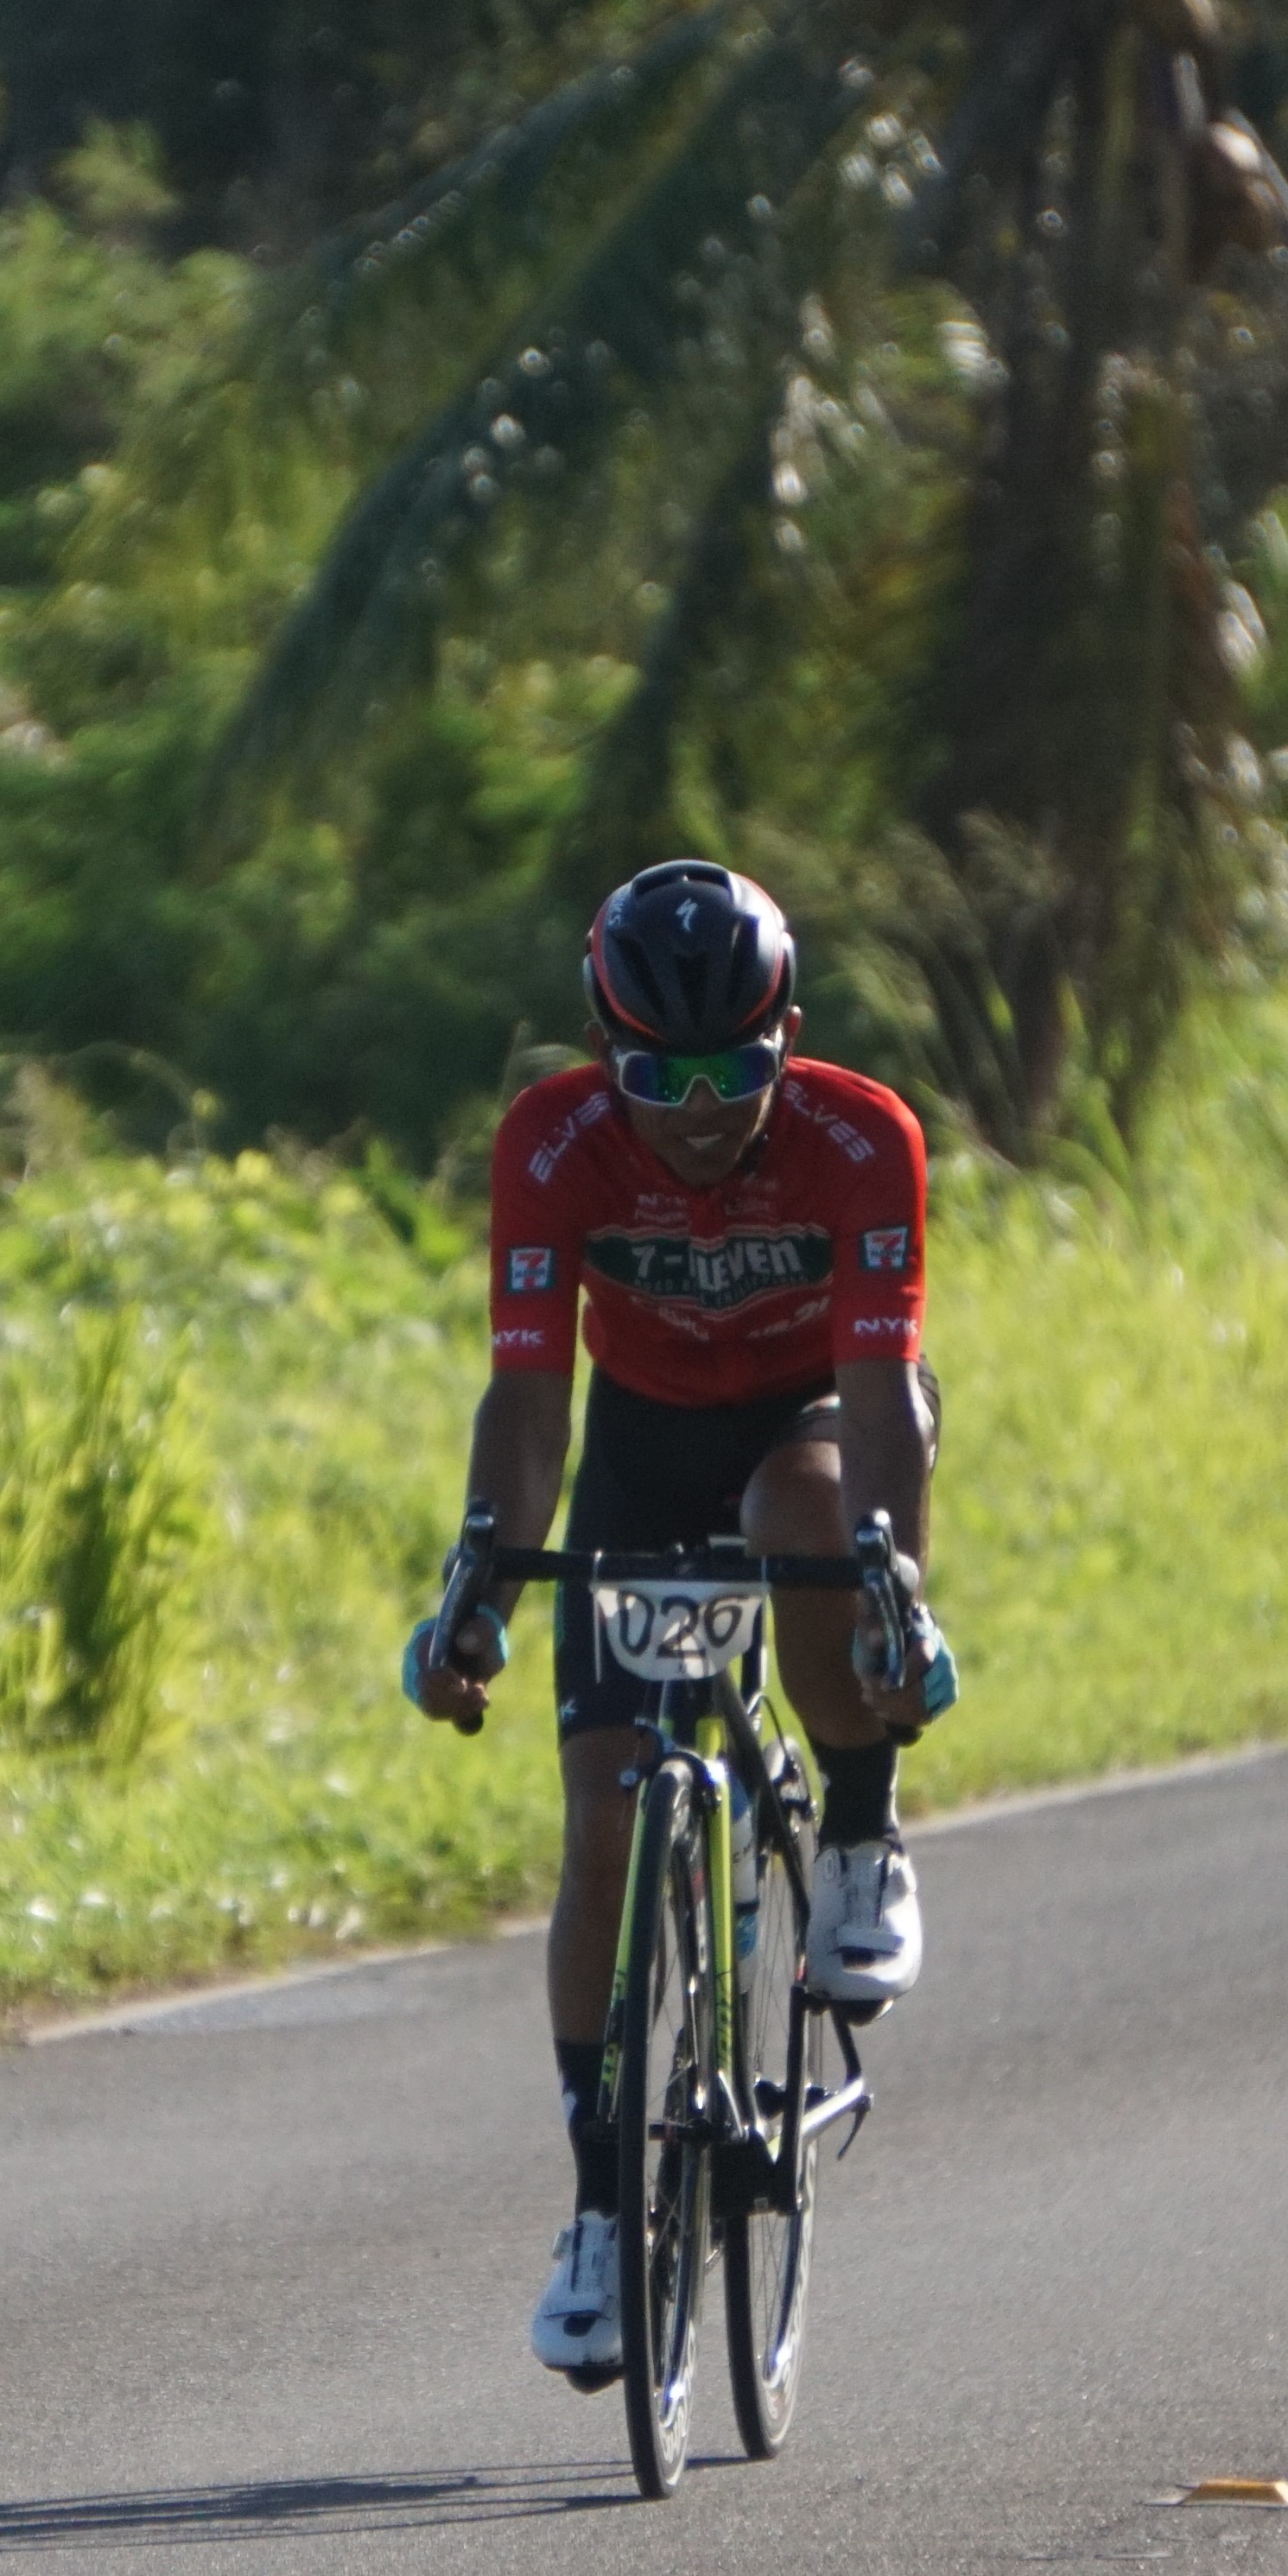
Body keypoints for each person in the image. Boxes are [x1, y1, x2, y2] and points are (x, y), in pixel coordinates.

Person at [404, 858, 955, 2386]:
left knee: (808, 1537)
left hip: (806, 1421)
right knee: (601, 1824)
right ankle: (599, 2217)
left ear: (790, 1040)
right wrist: (484, 1594)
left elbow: (880, 1390)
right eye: (658, 1074)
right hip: (642, 1449)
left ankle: (856, 1826)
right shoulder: (555, 1143)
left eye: (737, 1071)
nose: (700, 1109)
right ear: (602, 1047)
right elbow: (530, 1404)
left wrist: (885, 1584)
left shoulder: (860, 1140)